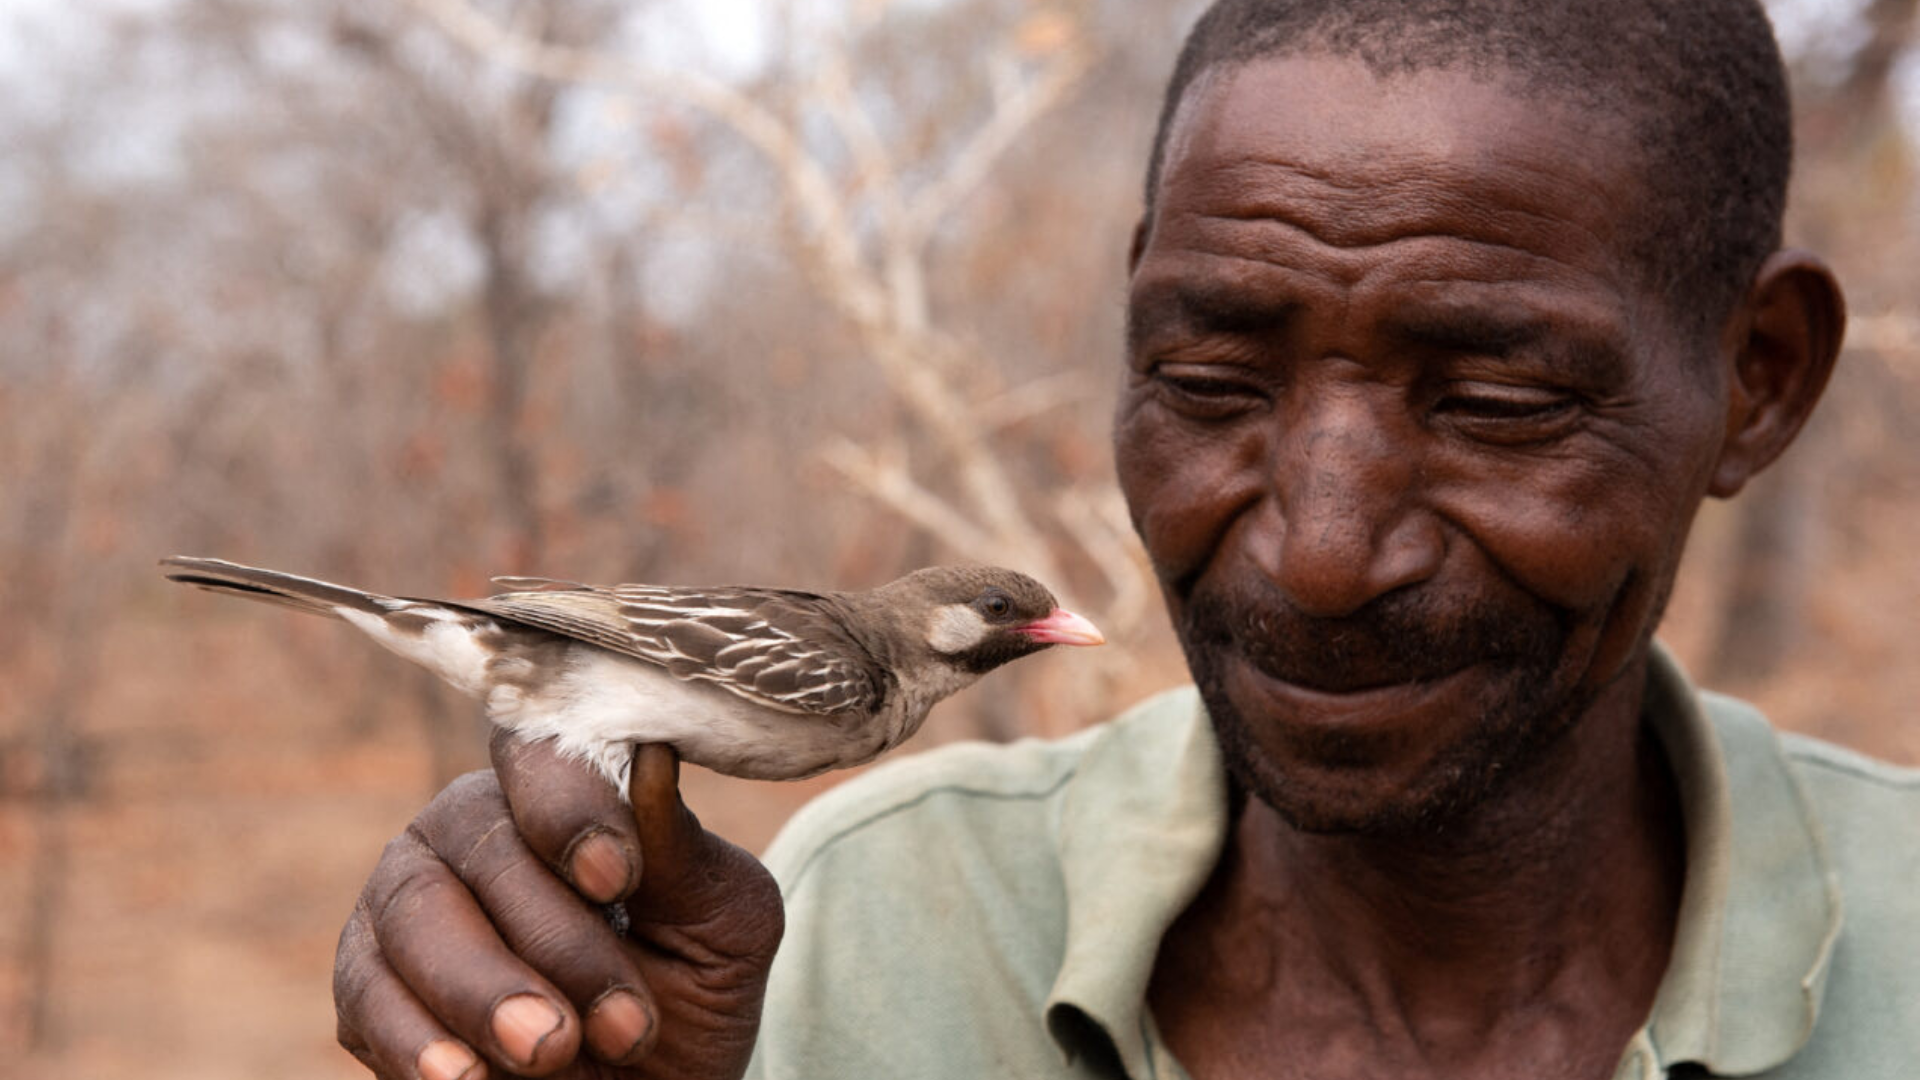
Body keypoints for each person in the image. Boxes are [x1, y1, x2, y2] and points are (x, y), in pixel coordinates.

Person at [328, 0, 1919, 1077]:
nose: (1315, 551)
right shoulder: (852, 932)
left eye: (1497, 401)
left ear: (1757, 380)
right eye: (1209, 380)